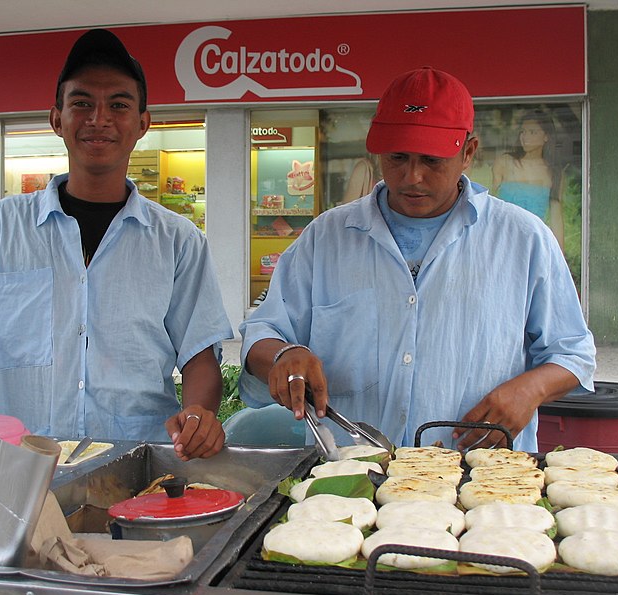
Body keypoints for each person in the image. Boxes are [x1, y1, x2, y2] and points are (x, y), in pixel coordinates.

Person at [0, 29, 233, 460]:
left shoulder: (178, 241)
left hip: (138, 466)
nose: (98, 118)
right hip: (19, 466)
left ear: (142, 123)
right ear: (56, 119)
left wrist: (197, 415)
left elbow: (199, 357)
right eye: (81, 103)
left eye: (118, 105)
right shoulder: (5, 226)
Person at [239, 67, 595, 452]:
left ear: (468, 154)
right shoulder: (326, 238)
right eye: (397, 157)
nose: (412, 176)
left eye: (431, 160)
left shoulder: (523, 239)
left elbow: (572, 352)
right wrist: (284, 354)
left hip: (482, 480)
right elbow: (263, 332)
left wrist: (531, 389)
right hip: (350, 476)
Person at [491, 109, 566, 251]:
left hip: (534, 245)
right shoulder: (505, 163)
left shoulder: (554, 173)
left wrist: (560, 259)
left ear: (546, 136)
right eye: (523, 132)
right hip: (502, 241)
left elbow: (556, 218)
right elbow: (490, 206)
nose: (525, 137)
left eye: (532, 132)